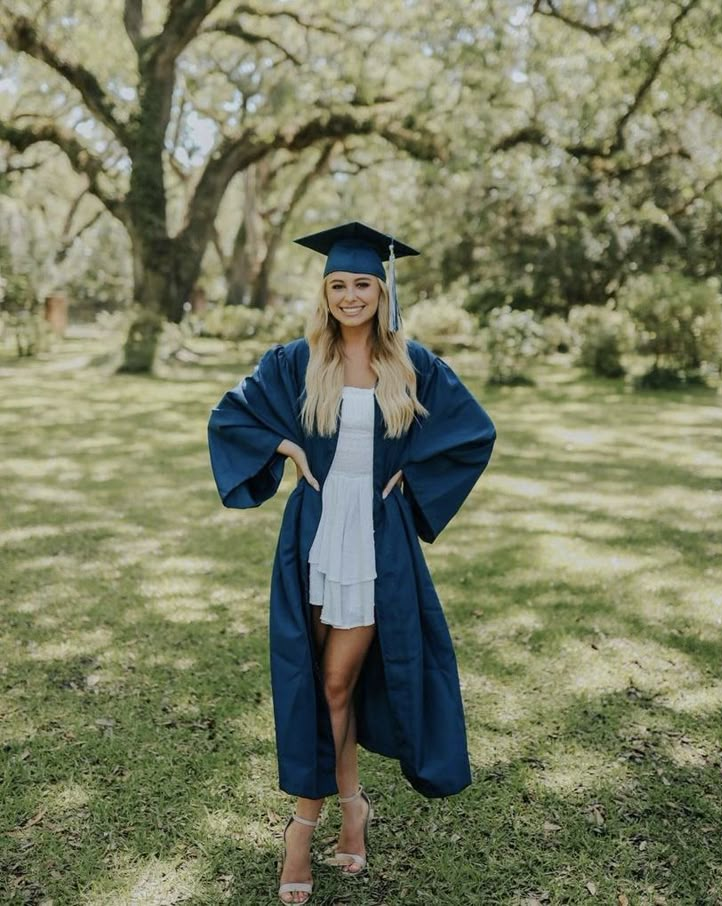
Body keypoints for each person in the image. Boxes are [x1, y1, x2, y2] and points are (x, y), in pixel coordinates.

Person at [207, 221, 496, 904]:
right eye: (338, 284)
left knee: (337, 685)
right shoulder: (297, 361)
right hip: (315, 532)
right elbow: (231, 416)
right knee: (316, 683)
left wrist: (412, 478)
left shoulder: (413, 364)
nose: (350, 295)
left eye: (362, 283)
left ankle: (302, 830)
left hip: (372, 542)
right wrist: (289, 449)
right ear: (325, 291)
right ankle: (352, 808)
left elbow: (472, 432)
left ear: (383, 287)